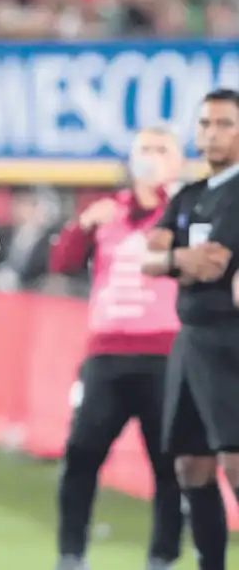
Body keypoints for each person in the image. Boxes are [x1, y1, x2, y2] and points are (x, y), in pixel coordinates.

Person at [49, 127, 185, 570]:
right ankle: (72, 556)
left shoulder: (184, 214)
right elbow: (62, 262)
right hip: (106, 356)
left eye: (161, 150)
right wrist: (83, 224)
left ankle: (161, 558)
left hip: (166, 356)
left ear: (177, 162)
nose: (151, 157)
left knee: (169, 467)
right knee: (81, 455)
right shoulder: (106, 213)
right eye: (144, 149)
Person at [143, 88, 239, 570]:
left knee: (236, 465)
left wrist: (172, 260)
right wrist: (181, 259)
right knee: (190, 466)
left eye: (224, 123)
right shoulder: (189, 194)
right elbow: (149, 256)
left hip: (231, 342)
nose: (212, 133)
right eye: (205, 124)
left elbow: (215, 264)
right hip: (192, 340)